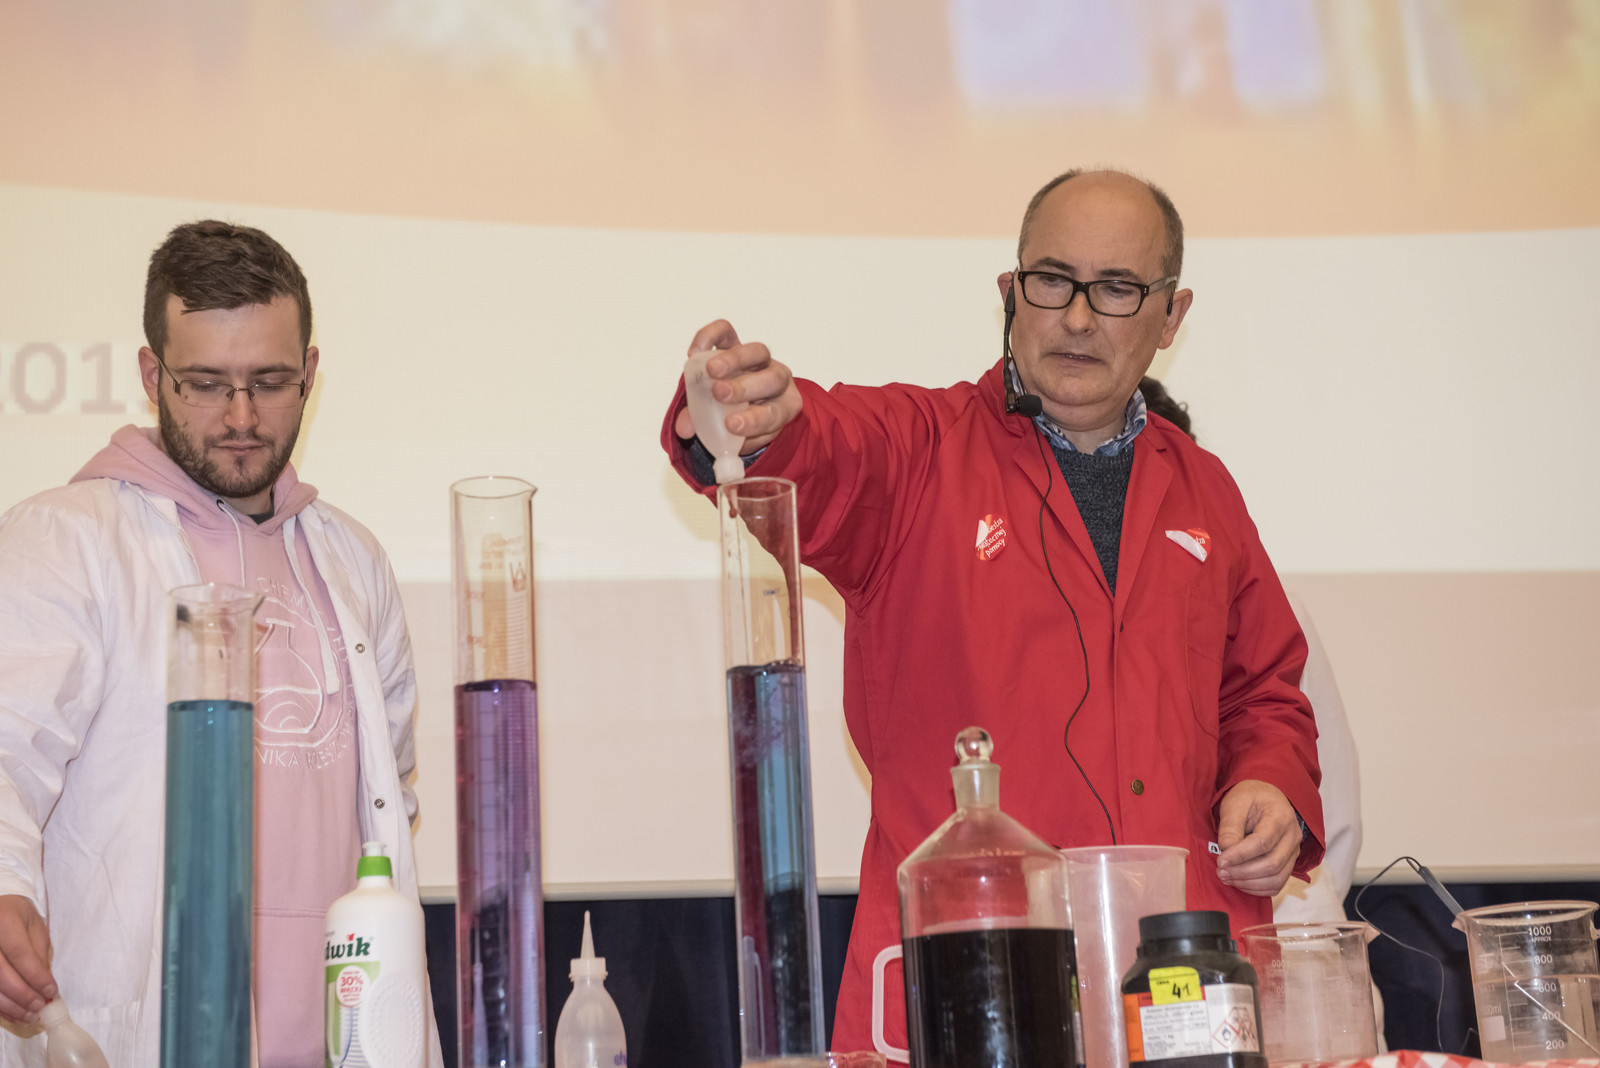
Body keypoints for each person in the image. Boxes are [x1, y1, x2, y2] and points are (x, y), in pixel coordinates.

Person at [660, 169, 1324, 1052]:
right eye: (1052, 281)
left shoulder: (1206, 490)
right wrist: (755, 424)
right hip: (971, 992)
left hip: (1179, 999)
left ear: (1171, 316)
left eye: (1116, 289)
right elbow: (825, 451)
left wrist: (1270, 783)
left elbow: (1262, 692)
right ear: (1010, 292)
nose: (1077, 317)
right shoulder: (922, 453)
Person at [0, 221, 443, 1066]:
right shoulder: (66, 540)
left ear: (310, 373)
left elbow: (386, 806)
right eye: (206, 384)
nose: (241, 417)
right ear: (151, 377)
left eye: (270, 382)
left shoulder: (353, 560)